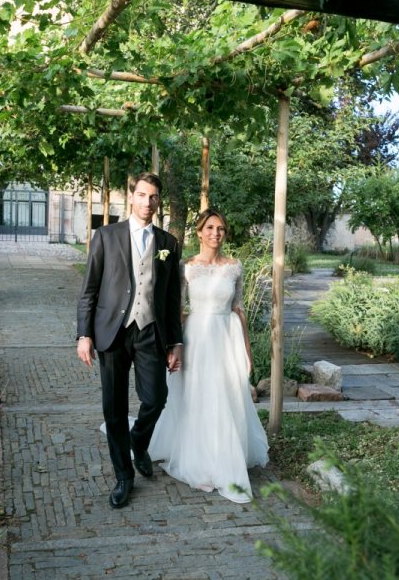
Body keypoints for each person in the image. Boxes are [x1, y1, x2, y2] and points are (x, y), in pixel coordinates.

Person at [76, 172, 184, 509]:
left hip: (151, 330)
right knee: (114, 408)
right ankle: (124, 476)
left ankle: (139, 442)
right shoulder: (105, 236)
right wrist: (84, 333)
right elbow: (89, 289)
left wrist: (175, 342)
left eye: (153, 196)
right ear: (131, 196)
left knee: (156, 398)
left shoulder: (168, 243)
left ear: (158, 201)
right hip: (112, 330)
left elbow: (171, 298)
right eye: (142, 195)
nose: (147, 202)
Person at [149, 208, 269, 503]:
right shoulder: (187, 267)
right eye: (211, 228)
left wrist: (247, 351)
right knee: (198, 398)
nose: (216, 233)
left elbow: (238, 310)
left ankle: (225, 457)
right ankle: (201, 461)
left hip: (226, 339)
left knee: (225, 397)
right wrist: (173, 345)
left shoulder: (234, 267)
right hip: (197, 338)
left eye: (221, 229)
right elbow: (177, 310)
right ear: (199, 232)